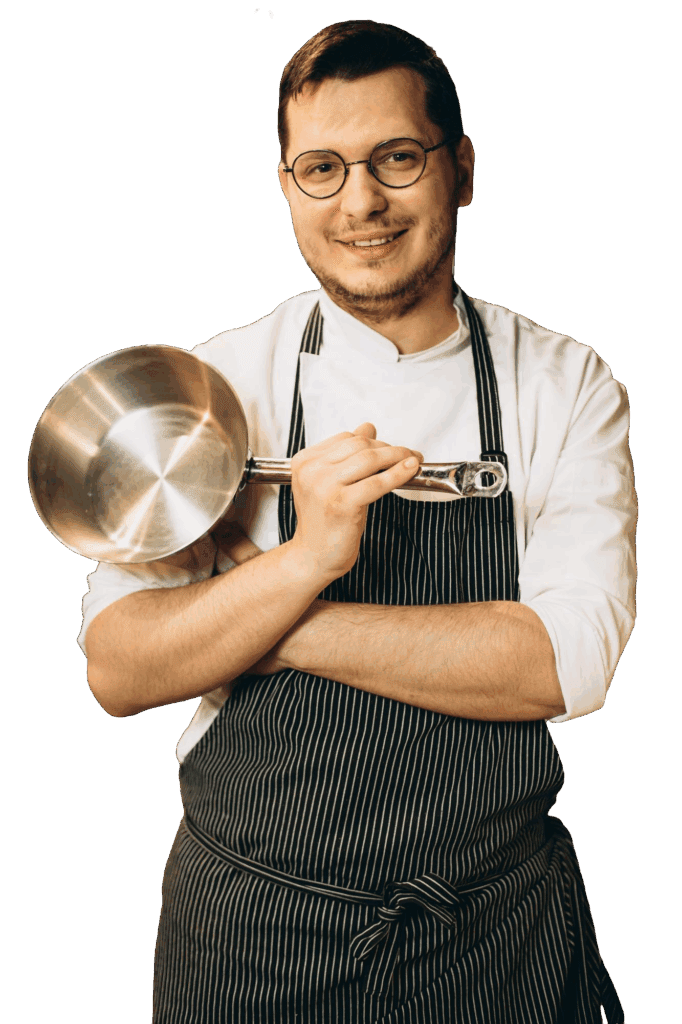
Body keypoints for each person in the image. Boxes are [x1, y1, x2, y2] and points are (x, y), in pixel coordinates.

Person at [80, 19, 636, 1024]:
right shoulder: (217, 387)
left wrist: (274, 614)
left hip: (491, 938)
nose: (361, 202)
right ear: (287, 184)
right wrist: (312, 557)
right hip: (249, 935)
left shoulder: (564, 383)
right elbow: (122, 668)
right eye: (321, 168)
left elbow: (563, 665)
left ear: (459, 170)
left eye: (396, 158)